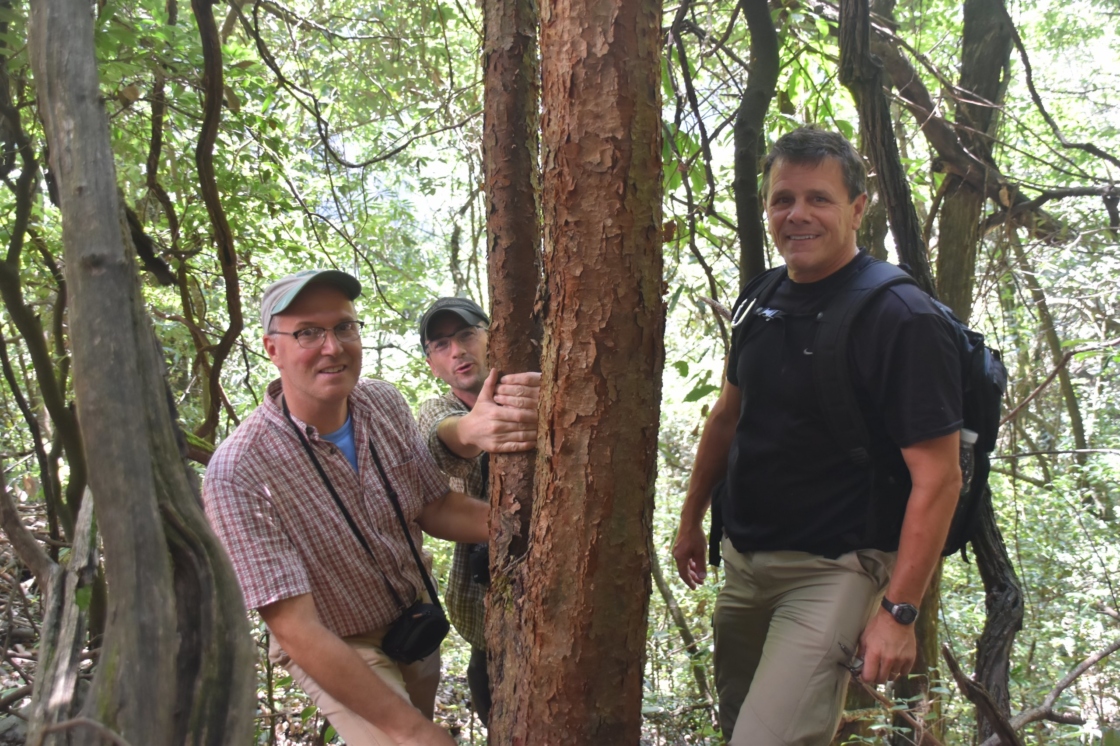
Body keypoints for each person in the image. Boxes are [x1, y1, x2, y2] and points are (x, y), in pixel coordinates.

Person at [671, 127, 964, 746]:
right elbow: (729, 416)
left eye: (818, 199)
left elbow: (938, 477)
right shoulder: (762, 297)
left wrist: (900, 613)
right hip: (745, 563)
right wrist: (692, 516)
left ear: (858, 208)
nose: (797, 214)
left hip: (834, 570)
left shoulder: (900, 317)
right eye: (783, 200)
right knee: (740, 725)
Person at [203, 269, 487, 746]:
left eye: (343, 327)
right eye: (308, 333)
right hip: (336, 643)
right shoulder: (239, 471)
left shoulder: (381, 403)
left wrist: (527, 530)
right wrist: (414, 732)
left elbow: (434, 505)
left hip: (411, 620)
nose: (332, 347)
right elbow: (295, 629)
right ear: (272, 349)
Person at [414, 297, 540, 724]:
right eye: (441, 344)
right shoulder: (437, 409)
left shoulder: (536, 387)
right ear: (432, 363)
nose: (457, 351)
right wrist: (474, 428)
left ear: (492, 336)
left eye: (467, 335)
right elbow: (440, 437)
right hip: (484, 614)